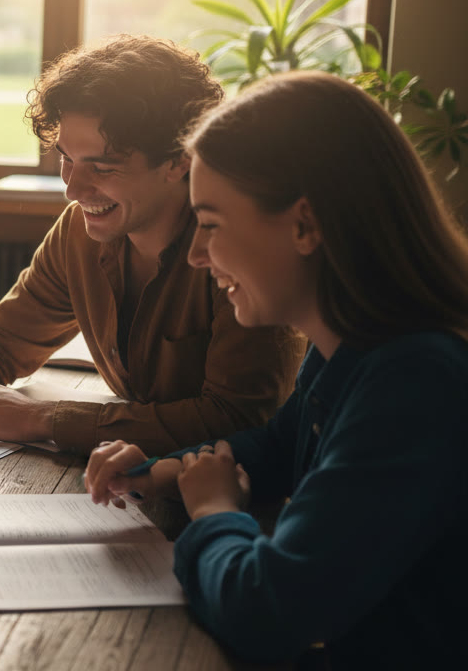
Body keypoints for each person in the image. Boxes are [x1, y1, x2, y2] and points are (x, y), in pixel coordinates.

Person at [84, 71, 468, 666]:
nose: (194, 254)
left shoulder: (417, 383)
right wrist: (164, 474)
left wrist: (213, 512)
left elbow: (269, 610)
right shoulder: (356, 346)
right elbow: (275, 444)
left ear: (305, 225)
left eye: (210, 224)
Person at [0, 36, 306, 455]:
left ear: (180, 160)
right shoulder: (80, 228)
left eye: (103, 166)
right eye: (66, 159)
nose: (74, 191)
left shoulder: (241, 247)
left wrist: (48, 419)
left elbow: (240, 420)